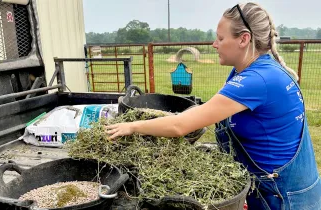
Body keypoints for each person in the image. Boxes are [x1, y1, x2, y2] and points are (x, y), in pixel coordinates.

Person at [106, 2, 321, 210]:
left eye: (220, 38)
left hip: (284, 199)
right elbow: (210, 110)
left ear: (244, 39)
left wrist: (131, 127)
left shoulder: (257, 80)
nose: (214, 44)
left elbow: (179, 127)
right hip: (272, 188)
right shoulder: (250, 71)